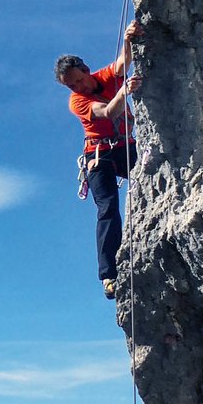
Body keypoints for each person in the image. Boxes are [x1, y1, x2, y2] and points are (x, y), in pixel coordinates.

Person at [56, 22, 143, 297]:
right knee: (107, 209)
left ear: (85, 70)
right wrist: (124, 92)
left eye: (79, 80)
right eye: (71, 85)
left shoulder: (105, 77)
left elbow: (122, 63)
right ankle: (109, 276)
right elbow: (107, 112)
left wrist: (128, 39)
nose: (77, 87)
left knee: (152, 176)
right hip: (99, 155)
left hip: (124, 146)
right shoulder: (77, 102)